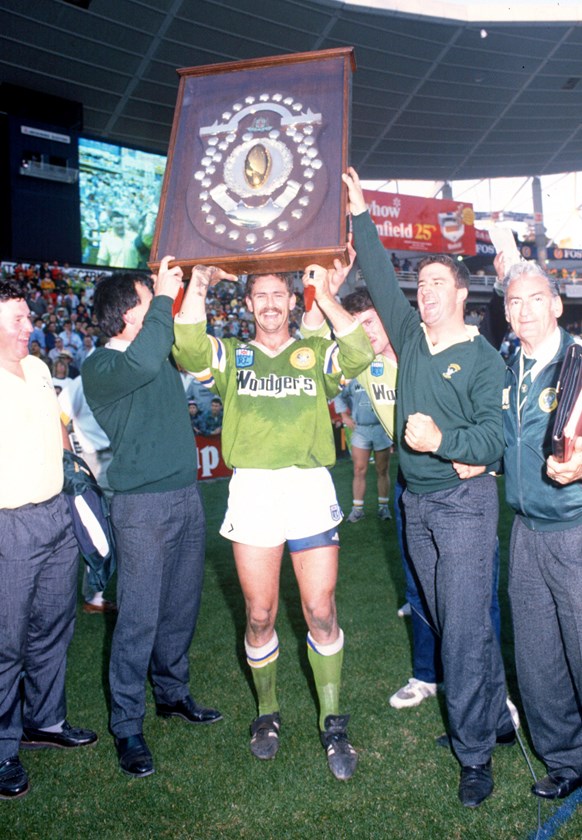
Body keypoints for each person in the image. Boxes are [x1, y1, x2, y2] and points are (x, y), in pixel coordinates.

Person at [343, 168, 513, 808]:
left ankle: (474, 755)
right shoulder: (411, 340)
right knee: (444, 615)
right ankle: (493, 717)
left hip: (465, 507)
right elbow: (382, 277)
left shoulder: (481, 358)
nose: (427, 293)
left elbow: (492, 441)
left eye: (440, 284)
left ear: (463, 296)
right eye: (424, 285)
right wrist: (362, 214)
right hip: (416, 506)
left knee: (464, 627)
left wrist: (440, 440)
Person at [172, 262, 374, 781]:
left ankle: (332, 719)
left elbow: (360, 351)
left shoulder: (312, 354)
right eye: (259, 295)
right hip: (254, 489)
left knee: (320, 608)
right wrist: (197, 282)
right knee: (259, 613)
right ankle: (268, 711)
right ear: (247, 305)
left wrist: (324, 294)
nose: (268, 303)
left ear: (291, 301)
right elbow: (188, 348)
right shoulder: (232, 355)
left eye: (278, 295)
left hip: (307, 486)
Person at [81, 257, 222, 780]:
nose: (160, 301)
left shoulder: (156, 353)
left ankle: (171, 693)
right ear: (127, 314)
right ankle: (126, 724)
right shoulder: (102, 366)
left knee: (181, 607)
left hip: (185, 496)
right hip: (140, 507)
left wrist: (199, 285)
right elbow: (141, 363)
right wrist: (165, 295)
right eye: (149, 297)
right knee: (138, 616)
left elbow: (186, 344)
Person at [0, 279, 97, 802]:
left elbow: (60, 423)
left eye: (28, 316)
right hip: (9, 525)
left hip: (57, 516)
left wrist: (73, 470)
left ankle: (46, 722)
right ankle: (2, 747)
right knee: (5, 641)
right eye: (17, 318)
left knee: (53, 629)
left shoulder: (38, 369)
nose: (29, 325)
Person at [501, 257, 582, 800]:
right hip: (525, 530)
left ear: (556, 305)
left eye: (535, 299)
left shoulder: (578, 365)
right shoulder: (511, 365)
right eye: (514, 302)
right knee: (535, 654)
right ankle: (565, 759)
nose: (524, 311)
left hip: (575, 528)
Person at [58, 353, 116, 614]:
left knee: (112, 525)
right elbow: (58, 416)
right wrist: (70, 456)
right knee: (97, 527)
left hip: (115, 454)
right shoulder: (79, 384)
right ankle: (93, 596)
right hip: (92, 458)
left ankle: (97, 593)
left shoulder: (112, 379)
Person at [334, 361, 394, 523]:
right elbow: (338, 394)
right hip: (361, 429)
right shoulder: (354, 376)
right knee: (359, 469)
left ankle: (383, 507)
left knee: (382, 469)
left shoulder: (382, 375)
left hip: (381, 429)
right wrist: (344, 416)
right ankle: (357, 510)